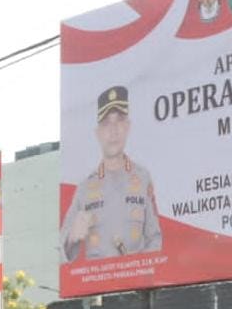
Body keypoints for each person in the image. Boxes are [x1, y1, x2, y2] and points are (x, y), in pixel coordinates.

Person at [60, 86, 163, 261]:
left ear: (128, 127)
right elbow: (60, 252)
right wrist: (71, 239)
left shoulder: (142, 178)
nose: (113, 130)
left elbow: (155, 238)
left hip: (137, 285)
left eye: (120, 120)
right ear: (98, 133)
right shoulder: (85, 188)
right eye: (106, 123)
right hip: (98, 283)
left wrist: (138, 269)